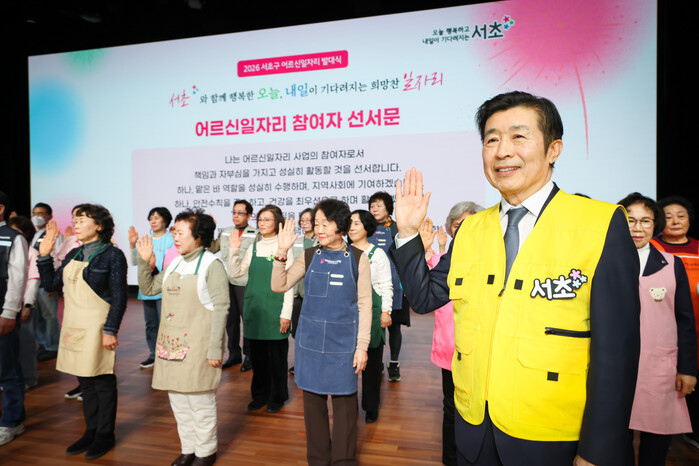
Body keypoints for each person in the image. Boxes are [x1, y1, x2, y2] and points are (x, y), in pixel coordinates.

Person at [389, 91, 641, 466]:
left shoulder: (600, 224)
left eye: (518, 136)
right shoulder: (471, 229)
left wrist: (597, 451)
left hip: (553, 436)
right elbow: (425, 298)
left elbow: (616, 354)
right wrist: (408, 232)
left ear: (553, 149)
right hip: (474, 429)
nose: (502, 151)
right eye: (491, 140)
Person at [271, 199, 372, 465]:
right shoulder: (308, 255)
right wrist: (281, 252)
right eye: (316, 224)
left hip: (344, 345)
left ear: (341, 226)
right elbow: (279, 285)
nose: (319, 229)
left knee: (345, 407)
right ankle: (317, 460)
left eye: (325, 224)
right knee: (313, 407)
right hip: (310, 344)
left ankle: (344, 461)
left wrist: (362, 346)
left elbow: (365, 304)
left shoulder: (358, 259)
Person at [137, 208, 228, 466]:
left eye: (180, 232)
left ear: (198, 236)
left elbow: (221, 308)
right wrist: (144, 262)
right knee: (178, 402)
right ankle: (188, 449)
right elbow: (149, 288)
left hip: (199, 347)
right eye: (174, 232)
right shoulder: (175, 262)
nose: (175, 237)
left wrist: (215, 349)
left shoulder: (212, 265)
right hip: (171, 345)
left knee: (200, 403)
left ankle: (206, 451)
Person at [37, 204, 128, 459]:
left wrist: (110, 330)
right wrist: (44, 257)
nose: (75, 224)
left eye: (82, 220)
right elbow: (50, 284)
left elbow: (120, 297)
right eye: (75, 220)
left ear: (99, 225)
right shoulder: (73, 253)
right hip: (74, 323)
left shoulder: (112, 254)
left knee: (102, 379)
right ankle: (91, 431)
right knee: (85, 381)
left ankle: (105, 435)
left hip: (98, 325)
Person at [618, 192, 697, 465]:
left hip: (660, 366)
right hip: (617, 367)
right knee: (618, 439)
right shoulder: (604, 263)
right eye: (630, 220)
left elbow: (685, 320)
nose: (637, 228)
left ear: (655, 225)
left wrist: (687, 368)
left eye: (646, 221)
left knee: (657, 438)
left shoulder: (672, 265)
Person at [419, 202, 484, 466]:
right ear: (450, 229)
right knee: (451, 408)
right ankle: (451, 459)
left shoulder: (489, 262)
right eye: (458, 225)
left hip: (479, 350)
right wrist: (420, 250)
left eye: (470, 224)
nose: (464, 229)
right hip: (449, 350)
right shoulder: (440, 263)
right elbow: (420, 290)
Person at [228, 205, 293, 413]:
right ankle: (259, 396)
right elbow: (236, 273)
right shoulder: (254, 247)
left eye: (267, 220)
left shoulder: (284, 247)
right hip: (255, 311)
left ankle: (277, 397)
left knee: (276, 359)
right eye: (260, 220)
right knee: (258, 359)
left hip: (275, 311)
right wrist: (233, 250)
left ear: (277, 222)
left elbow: (289, 284)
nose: (262, 223)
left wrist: (286, 314)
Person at [650, 195, 699, 448]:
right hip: (663, 327)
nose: (675, 221)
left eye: (681, 215)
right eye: (668, 216)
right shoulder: (652, 249)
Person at [347, 209, 393, 424]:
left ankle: (371, 406)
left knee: (372, 364)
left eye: (357, 223)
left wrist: (386, 311)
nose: (352, 227)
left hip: (373, 313)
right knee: (347, 363)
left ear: (367, 227)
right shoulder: (342, 252)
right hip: (347, 313)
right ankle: (348, 404)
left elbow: (386, 285)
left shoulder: (378, 254)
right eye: (349, 223)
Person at [209, 200, 257, 371]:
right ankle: (234, 354)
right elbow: (211, 249)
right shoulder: (226, 232)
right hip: (226, 282)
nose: (236, 216)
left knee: (247, 320)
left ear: (249, 216)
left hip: (245, 283)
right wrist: (210, 229)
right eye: (234, 212)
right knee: (230, 321)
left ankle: (249, 356)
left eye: (240, 213)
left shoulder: (255, 234)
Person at [368, 191, 409, 382]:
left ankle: (393, 363)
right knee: (375, 326)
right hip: (370, 285)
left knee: (394, 327)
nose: (374, 209)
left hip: (394, 285)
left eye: (379, 205)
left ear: (388, 208)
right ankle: (376, 362)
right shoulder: (365, 227)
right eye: (372, 206)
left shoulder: (397, 228)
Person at [128, 207, 175, 369]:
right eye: (151, 218)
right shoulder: (146, 240)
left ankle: (167, 353)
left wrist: (155, 267)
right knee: (151, 324)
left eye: (156, 218)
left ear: (165, 221)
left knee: (166, 323)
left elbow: (171, 264)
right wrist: (132, 245)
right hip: (147, 288)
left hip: (163, 288)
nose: (153, 221)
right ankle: (153, 354)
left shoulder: (170, 240)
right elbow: (135, 262)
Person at [0, 191, 29, 447]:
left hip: (2, 311)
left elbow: (18, 277)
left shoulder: (14, 238)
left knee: (6, 369)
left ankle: (12, 421)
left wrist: (9, 312)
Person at [7, 215, 40, 391]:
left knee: (26, 344)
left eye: (16, 231)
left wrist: (28, 305)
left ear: (26, 234)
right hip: (8, 304)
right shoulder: (8, 249)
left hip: (23, 306)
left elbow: (33, 282)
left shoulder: (32, 253)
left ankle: (29, 378)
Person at [31, 202, 62, 362]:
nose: (37, 217)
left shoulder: (54, 234)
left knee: (49, 316)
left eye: (41, 213)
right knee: (38, 315)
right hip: (34, 281)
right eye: (34, 213)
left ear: (49, 216)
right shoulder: (34, 234)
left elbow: (58, 258)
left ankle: (53, 346)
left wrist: (53, 282)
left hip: (46, 281)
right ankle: (43, 343)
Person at [288, 207, 317, 374]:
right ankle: (300, 362)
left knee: (311, 331)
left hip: (313, 295)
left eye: (308, 220)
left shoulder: (320, 241)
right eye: (302, 220)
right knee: (297, 331)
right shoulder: (296, 240)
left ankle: (312, 363)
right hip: (296, 293)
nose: (304, 223)